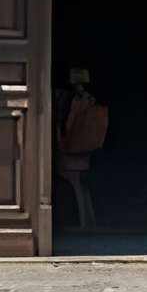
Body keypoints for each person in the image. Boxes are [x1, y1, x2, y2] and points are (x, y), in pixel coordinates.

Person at [56, 66, 110, 229]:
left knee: (76, 185)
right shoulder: (89, 98)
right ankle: (87, 221)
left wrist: (59, 139)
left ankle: (82, 222)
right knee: (81, 186)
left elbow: (68, 124)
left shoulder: (74, 99)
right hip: (84, 148)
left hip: (71, 146)